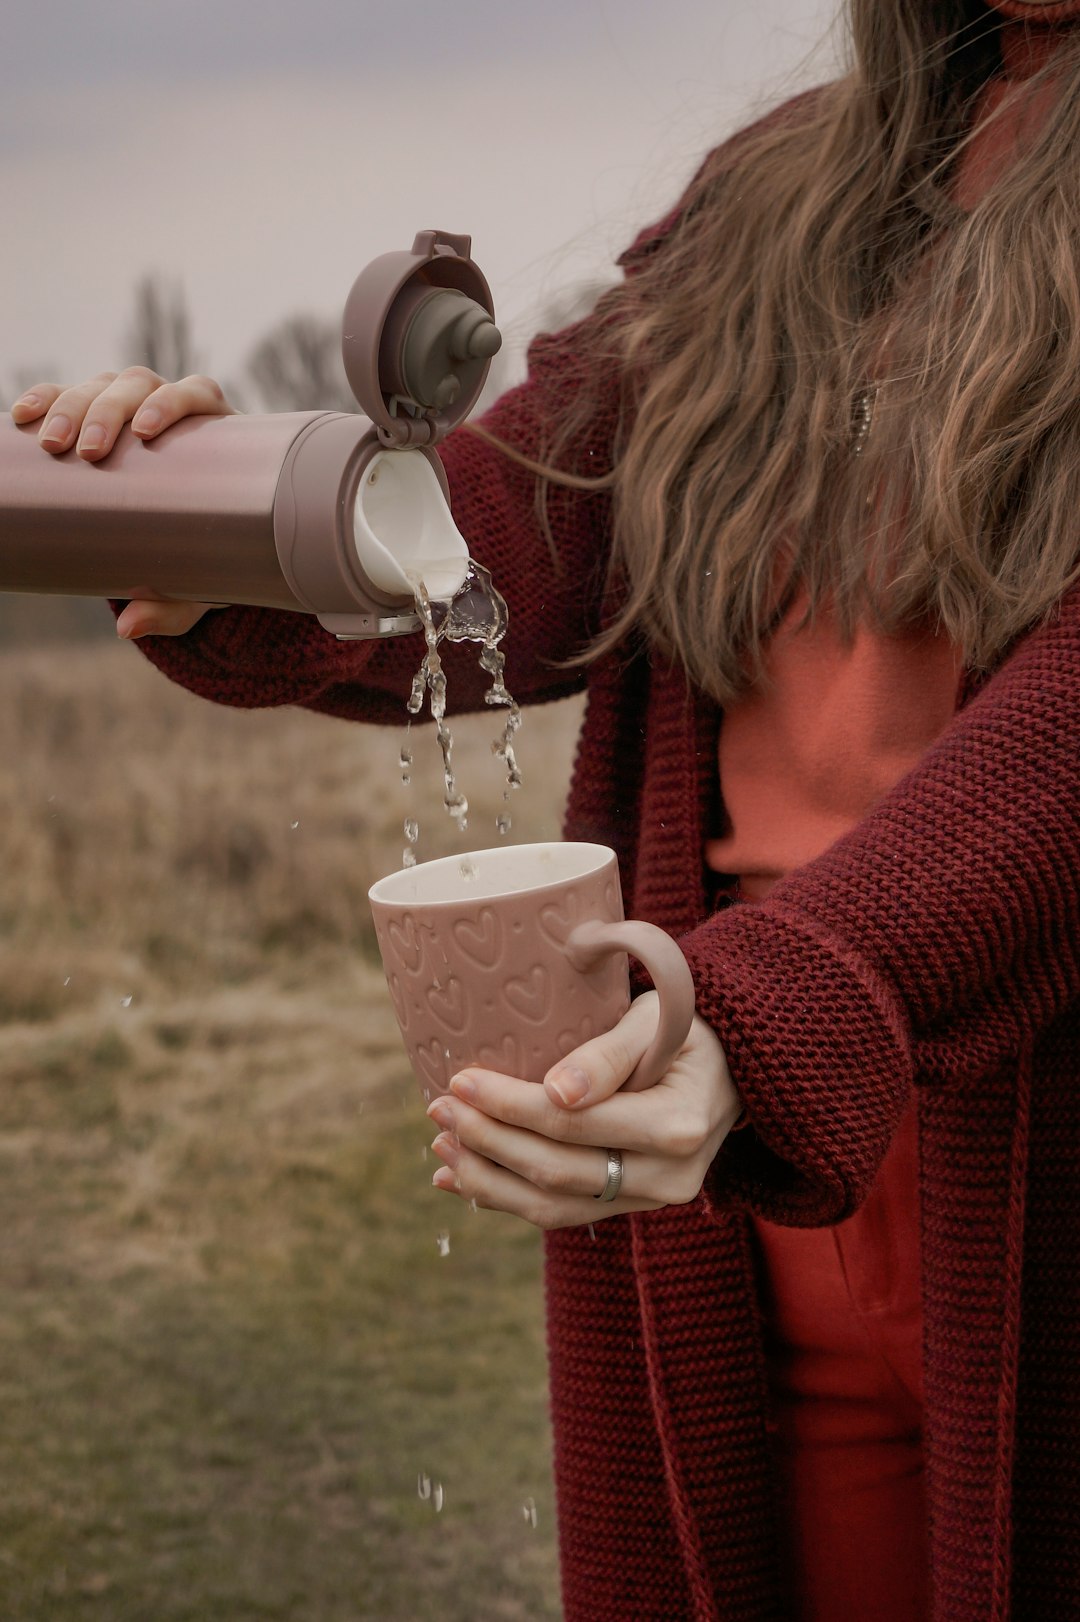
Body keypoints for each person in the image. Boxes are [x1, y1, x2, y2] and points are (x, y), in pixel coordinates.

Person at [11, 1, 1080, 1615]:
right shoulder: (768, 202)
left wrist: (769, 1017)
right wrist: (241, 528)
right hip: (713, 1148)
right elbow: (523, 521)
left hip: (943, 1087)